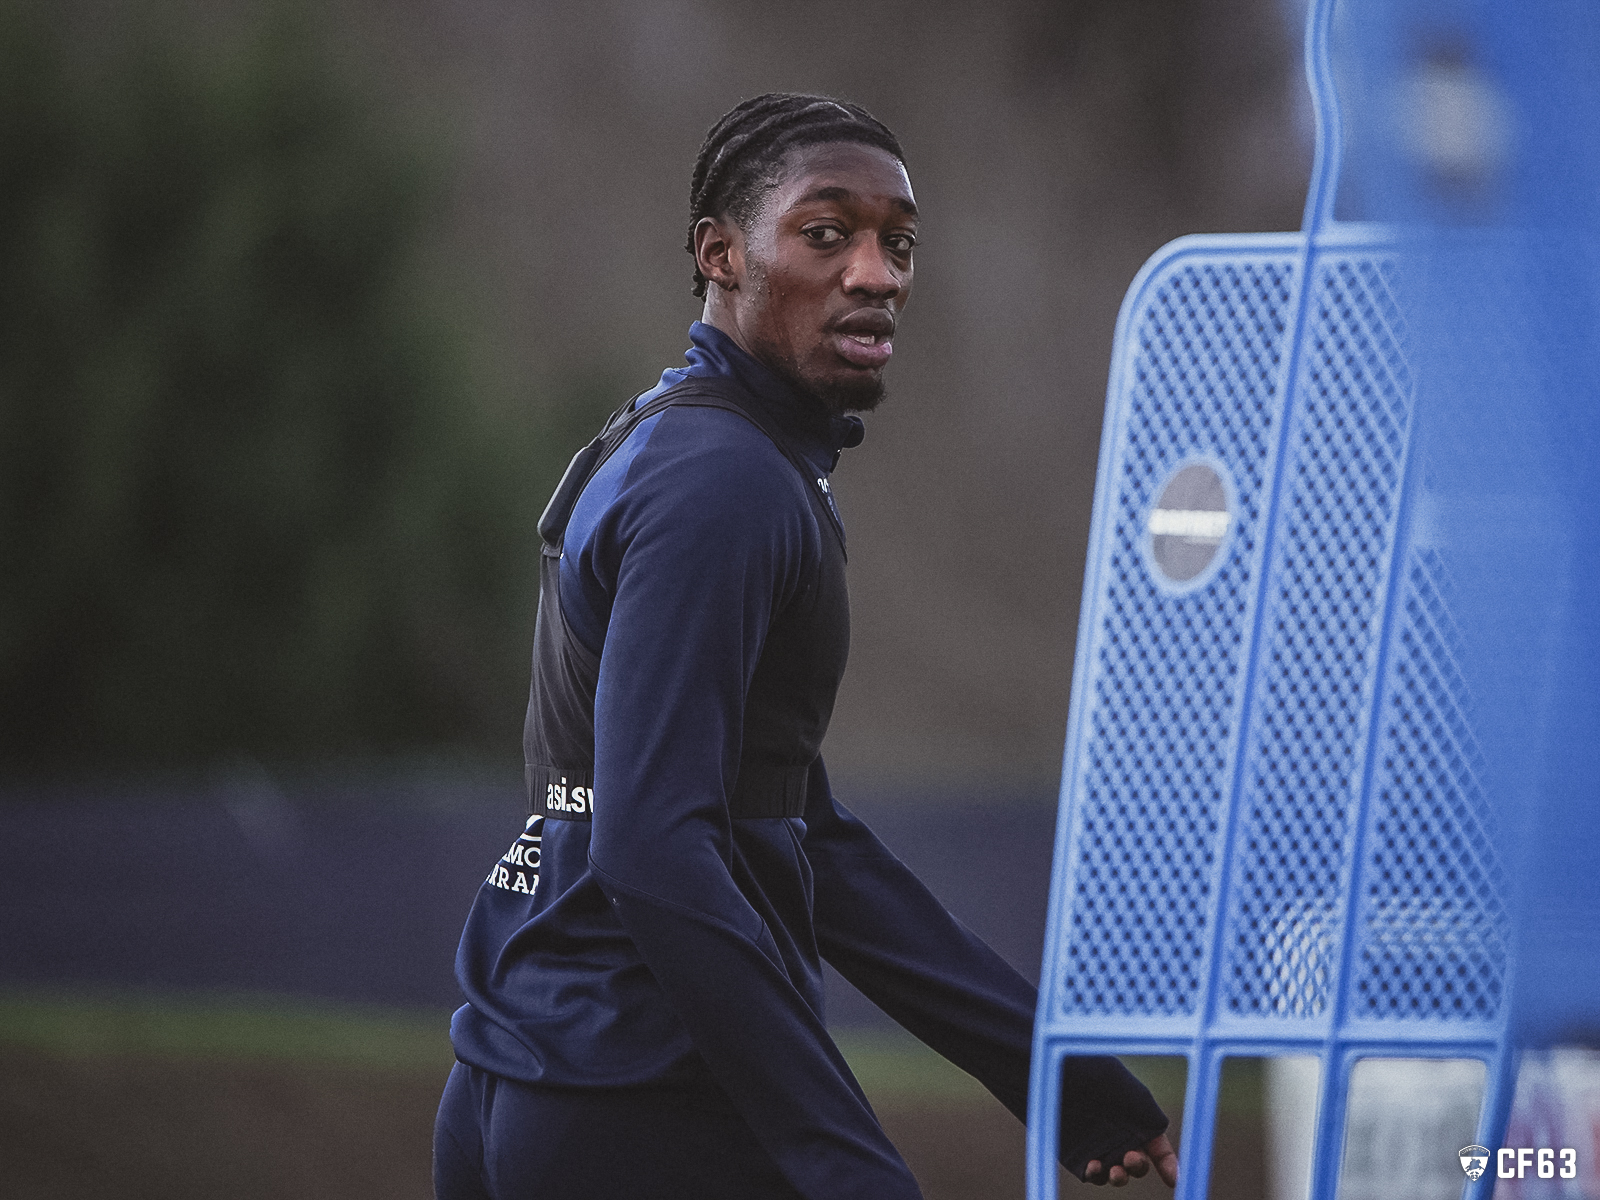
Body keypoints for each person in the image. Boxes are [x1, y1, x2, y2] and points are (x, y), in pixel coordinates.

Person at [433, 93, 1180, 1200]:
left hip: (527, 1086)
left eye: (899, 244)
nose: (876, 274)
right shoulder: (724, 483)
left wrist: (1050, 1071)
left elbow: (799, 832)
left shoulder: (685, 444)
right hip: (645, 1107)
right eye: (827, 234)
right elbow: (650, 846)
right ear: (720, 255)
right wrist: (842, 1159)